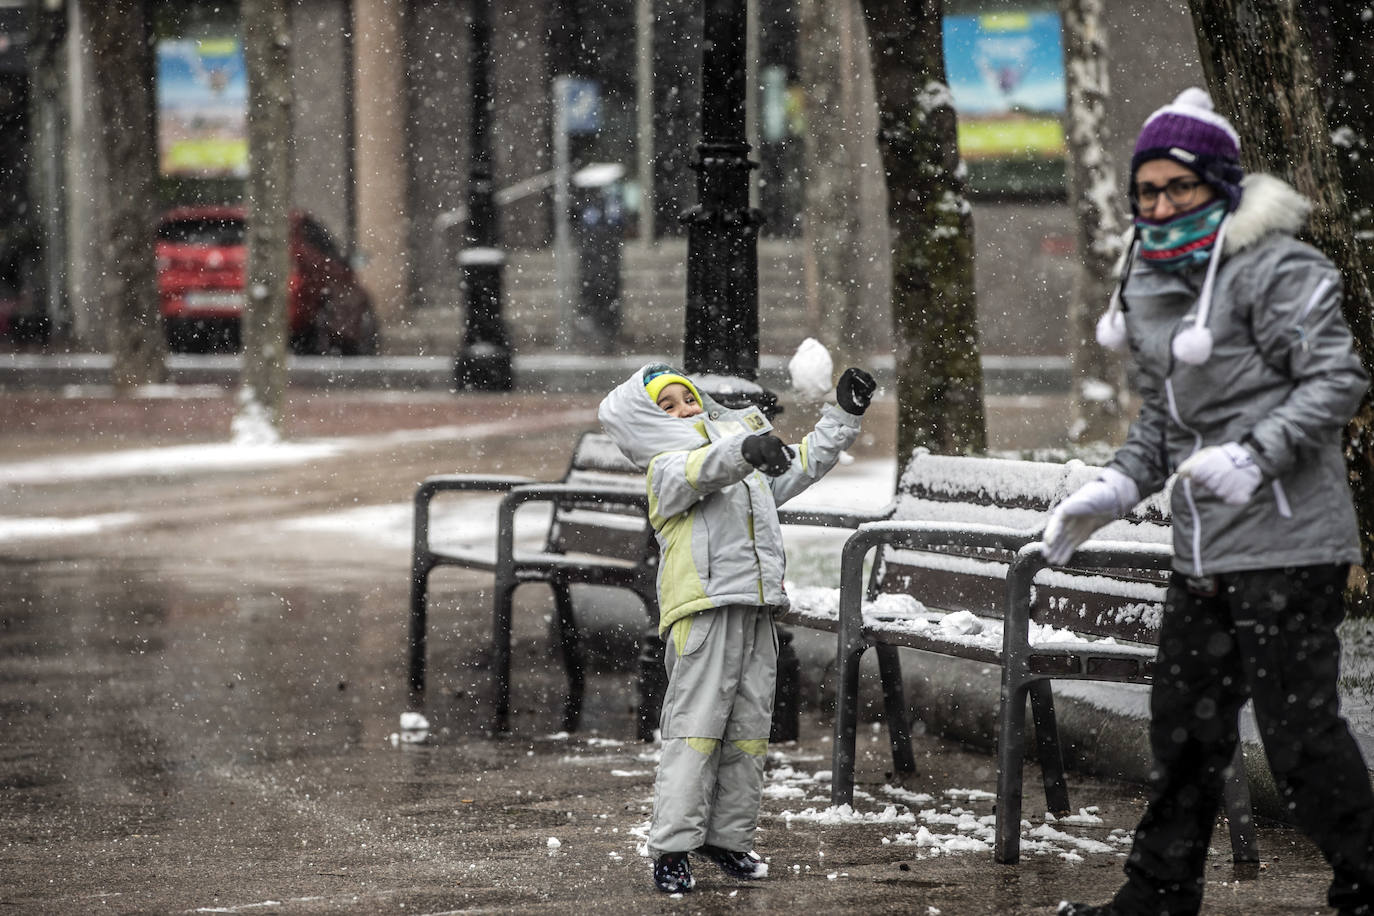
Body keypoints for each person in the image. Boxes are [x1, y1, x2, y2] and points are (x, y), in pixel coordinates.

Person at [1051, 88, 1374, 916]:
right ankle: (1156, 895)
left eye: (1179, 188)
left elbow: (1337, 378)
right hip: (1203, 552)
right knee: (1185, 735)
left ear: (1222, 186)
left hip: (1291, 546)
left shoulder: (1280, 269)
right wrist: (1117, 483)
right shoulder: (1156, 285)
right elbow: (1165, 417)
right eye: (1147, 191)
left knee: (1300, 741)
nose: (1160, 205)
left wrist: (1256, 454)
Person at [598, 361, 876, 893]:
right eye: (668, 406)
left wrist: (842, 415)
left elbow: (803, 463)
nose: (685, 409)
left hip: (755, 606)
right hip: (703, 611)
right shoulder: (664, 468)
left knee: (747, 730)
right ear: (648, 423)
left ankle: (727, 837)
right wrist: (744, 450)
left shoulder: (742, 465)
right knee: (695, 729)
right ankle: (673, 846)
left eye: (689, 398)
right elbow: (702, 470)